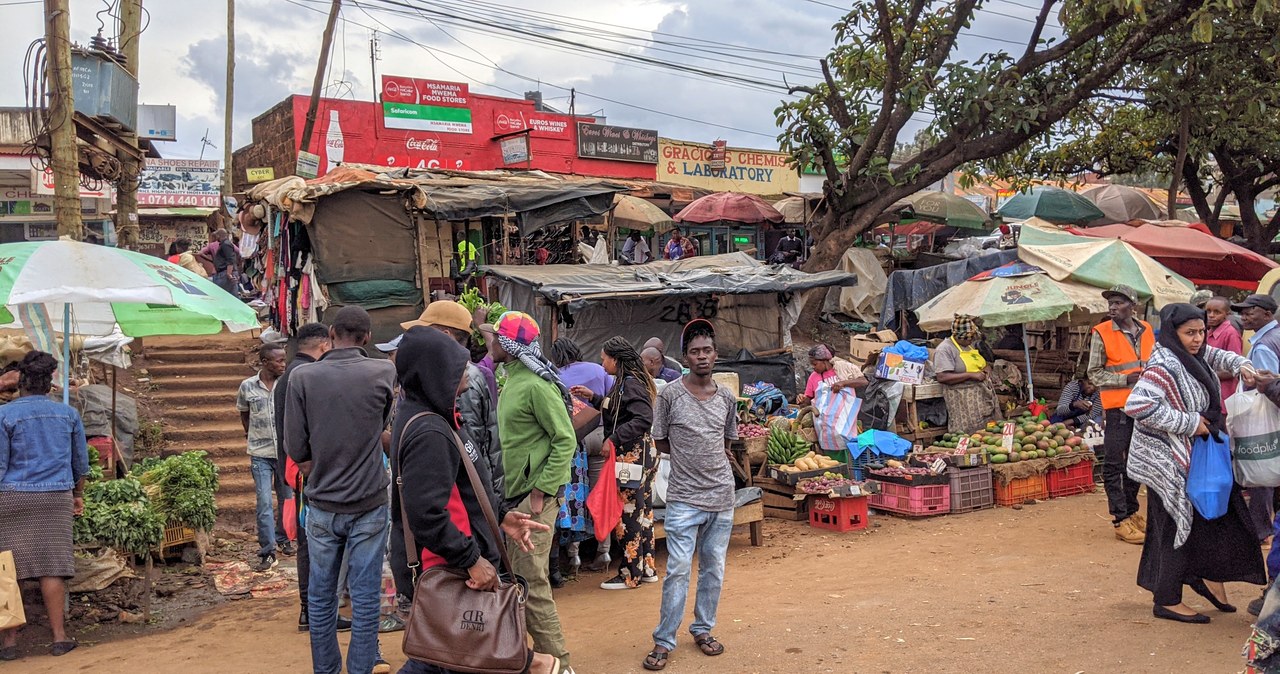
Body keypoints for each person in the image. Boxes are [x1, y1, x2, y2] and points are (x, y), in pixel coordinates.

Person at [389, 327, 561, 674]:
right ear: (432, 374)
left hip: (457, 561)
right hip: (448, 569)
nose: (467, 379)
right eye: (457, 371)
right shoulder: (429, 432)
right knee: (464, 654)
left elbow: (466, 486)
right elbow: (425, 513)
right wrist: (470, 559)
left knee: (443, 654)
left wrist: (500, 515)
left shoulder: (439, 415)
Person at [1124, 302, 1265, 623]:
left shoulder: (1191, 355)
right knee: (1175, 524)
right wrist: (1189, 422)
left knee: (1210, 517)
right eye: (1190, 333)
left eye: (1201, 331)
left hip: (1197, 456)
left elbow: (1217, 356)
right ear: (1173, 333)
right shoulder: (1163, 365)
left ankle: (1206, 578)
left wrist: (1243, 363)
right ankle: (1167, 599)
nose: (1198, 339)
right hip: (1167, 463)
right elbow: (1138, 405)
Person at [284, 307, 397, 674]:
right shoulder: (384, 371)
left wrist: (320, 471)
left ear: (331, 333)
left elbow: (295, 447)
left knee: (321, 597)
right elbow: (380, 429)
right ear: (366, 337)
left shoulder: (302, 378)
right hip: (369, 502)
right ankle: (361, 668)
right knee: (364, 599)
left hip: (322, 504)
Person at [481, 311, 576, 671]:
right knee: (520, 581)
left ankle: (560, 664)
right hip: (514, 497)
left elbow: (564, 438)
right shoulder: (515, 381)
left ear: (509, 345)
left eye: (495, 338)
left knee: (530, 583)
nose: (490, 343)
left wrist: (542, 489)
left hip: (533, 501)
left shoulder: (536, 385)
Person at [643, 319, 737, 672]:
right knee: (678, 571)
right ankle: (664, 640)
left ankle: (702, 629)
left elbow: (726, 440)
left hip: (722, 497)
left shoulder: (726, 397)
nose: (701, 357)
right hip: (683, 498)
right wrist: (688, 456)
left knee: (713, 570)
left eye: (707, 350)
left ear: (716, 355)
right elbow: (661, 439)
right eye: (695, 351)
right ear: (685, 356)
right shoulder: (669, 395)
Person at [0, 352, 88, 660]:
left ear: (20, 384)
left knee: (10, 570)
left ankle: (8, 645)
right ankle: (60, 639)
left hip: (12, 497)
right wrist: (77, 495)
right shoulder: (68, 414)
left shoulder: (4, 415)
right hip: (55, 498)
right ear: (50, 384)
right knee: (52, 568)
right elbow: (80, 462)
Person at [570, 337, 659, 590]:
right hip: (642, 456)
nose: (601, 362)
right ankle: (647, 568)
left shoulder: (629, 384)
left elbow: (643, 418)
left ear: (615, 359)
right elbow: (621, 410)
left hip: (631, 456)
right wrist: (595, 398)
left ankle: (630, 574)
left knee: (627, 512)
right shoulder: (627, 383)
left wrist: (613, 439)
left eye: (604, 358)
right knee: (643, 512)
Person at [271, 322, 341, 632]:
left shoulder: (288, 377)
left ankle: (311, 609)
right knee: (315, 541)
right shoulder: (307, 376)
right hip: (307, 471)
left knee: (309, 540)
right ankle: (313, 610)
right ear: (325, 345)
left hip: (295, 468)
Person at [1088, 284, 1154, 545]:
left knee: (1137, 463)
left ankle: (1132, 511)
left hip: (1146, 407)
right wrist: (1126, 379)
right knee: (1115, 463)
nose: (1112, 307)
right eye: (1110, 303)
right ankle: (1119, 519)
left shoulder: (1147, 329)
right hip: (1118, 408)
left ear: (1132, 305)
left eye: (1118, 302)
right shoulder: (1101, 332)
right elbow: (1094, 373)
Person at [237, 343, 292, 571]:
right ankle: (267, 551)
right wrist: (251, 435)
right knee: (264, 503)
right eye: (278, 361)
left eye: (284, 360)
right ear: (265, 362)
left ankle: (284, 538)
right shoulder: (247, 386)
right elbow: (244, 413)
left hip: (285, 453)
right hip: (260, 454)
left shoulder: (287, 385)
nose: (283, 364)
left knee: (287, 499)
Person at [932, 314, 1000, 435]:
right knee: (967, 433)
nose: (972, 340)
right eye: (969, 338)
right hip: (962, 399)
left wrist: (987, 369)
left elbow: (983, 364)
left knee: (988, 432)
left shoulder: (969, 346)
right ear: (958, 336)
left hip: (982, 396)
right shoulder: (945, 349)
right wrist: (970, 375)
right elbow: (942, 377)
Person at [1206, 296, 1245, 403]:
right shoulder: (1207, 331)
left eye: (1217, 312)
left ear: (1227, 314)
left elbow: (1235, 368)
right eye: (1208, 311)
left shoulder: (1230, 333)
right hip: (1210, 393)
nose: (1211, 315)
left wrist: (1206, 375)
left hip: (1224, 395)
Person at [207, 229, 240, 296]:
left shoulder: (225, 244)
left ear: (219, 236)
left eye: (216, 236)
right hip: (225, 273)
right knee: (230, 296)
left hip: (224, 273)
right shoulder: (225, 244)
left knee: (221, 296)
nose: (216, 238)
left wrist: (229, 273)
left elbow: (230, 259)